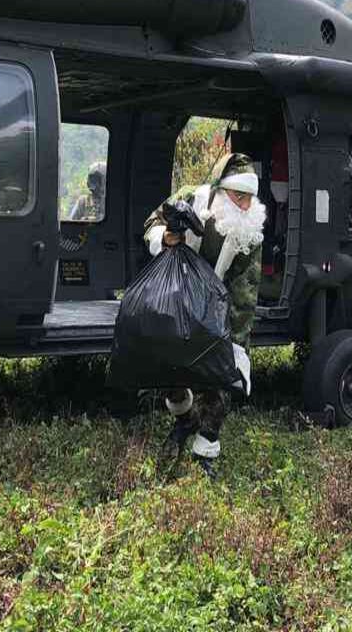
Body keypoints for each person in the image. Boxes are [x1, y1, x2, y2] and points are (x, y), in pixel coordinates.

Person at [144, 153, 265, 478]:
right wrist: (165, 237)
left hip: (217, 302)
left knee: (220, 376)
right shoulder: (189, 197)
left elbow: (245, 293)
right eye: (239, 196)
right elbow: (151, 223)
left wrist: (236, 346)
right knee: (170, 369)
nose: (245, 205)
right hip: (177, 294)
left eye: (250, 198)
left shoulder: (250, 231)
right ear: (222, 192)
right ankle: (185, 420)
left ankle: (206, 447)